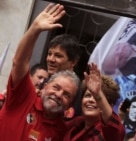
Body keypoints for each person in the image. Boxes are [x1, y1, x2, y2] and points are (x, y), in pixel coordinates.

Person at [0, 3, 81, 141]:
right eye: (56, 87)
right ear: (44, 87)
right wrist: (34, 30)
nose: (59, 94)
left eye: (67, 95)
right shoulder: (24, 97)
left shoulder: (61, 131)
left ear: (70, 103)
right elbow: (19, 62)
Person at [64, 63, 125, 141]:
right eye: (87, 95)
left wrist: (98, 94)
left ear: (110, 106)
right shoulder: (75, 123)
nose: (91, 100)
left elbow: (113, 126)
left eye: (96, 98)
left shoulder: (109, 133)